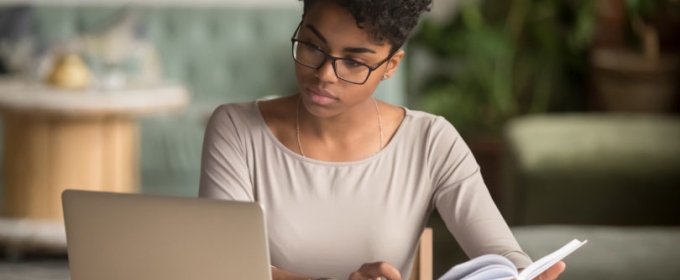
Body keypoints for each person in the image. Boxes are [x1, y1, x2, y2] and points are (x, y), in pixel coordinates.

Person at [199, 1, 566, 280]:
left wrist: (525, 273)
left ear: (391, 66)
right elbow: (222, 266)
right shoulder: (236, 128)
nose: (325, 74)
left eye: (355, 63)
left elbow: (500, 251)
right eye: (312, 47)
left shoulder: (430, 141)